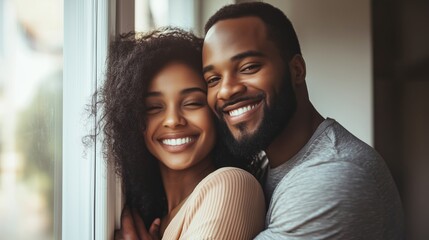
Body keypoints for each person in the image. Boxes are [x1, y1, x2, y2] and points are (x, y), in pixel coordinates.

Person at [201, 2, 405, 239]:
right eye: (213, 79)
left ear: (297, 70)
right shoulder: (268, 166)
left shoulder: (330, 179)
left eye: (248, 67)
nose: (226, 91)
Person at [97, 28, 265, 239]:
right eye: (153, 107)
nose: (173, 120)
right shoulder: (153, 217)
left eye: (193, 103)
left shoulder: (232, 184)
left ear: (217, 112)